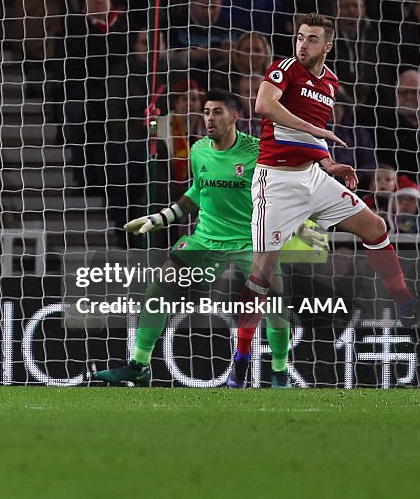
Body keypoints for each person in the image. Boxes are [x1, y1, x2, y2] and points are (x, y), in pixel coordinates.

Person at [244, 13, 420, 341]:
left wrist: (328, 163)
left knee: (375, 227)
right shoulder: (283, 69)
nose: (302, 44)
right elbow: (263, 105)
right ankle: (241, 360)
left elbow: (307, 138)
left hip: (312, 176)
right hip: (277, 180)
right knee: (262, 273)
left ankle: (405, 305)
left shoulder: (330, 82)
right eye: (300, 37)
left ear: (328, 46)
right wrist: (316, 130)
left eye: (312, 39)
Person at [93, 90, 307, 388]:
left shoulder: (259, 153)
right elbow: (197, 192)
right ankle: (139, 365)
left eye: (217, 112)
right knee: (158, 288)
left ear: (234, 116)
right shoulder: (198, 151)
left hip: (250, 242)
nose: (209, 118)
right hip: (206, 240)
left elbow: (286, 189)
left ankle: (279, 372)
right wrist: (161, 218)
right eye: (206, 112)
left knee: (275, 305)